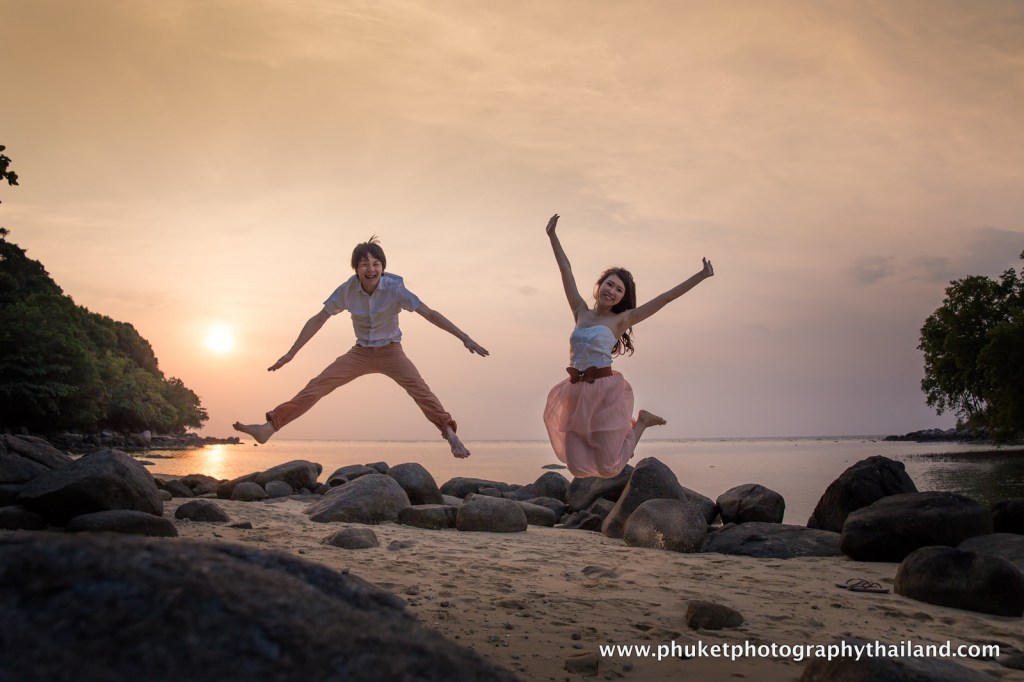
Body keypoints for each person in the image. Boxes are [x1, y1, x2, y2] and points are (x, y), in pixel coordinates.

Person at [233, 236, 489, 458]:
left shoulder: (396, 289)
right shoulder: (347, 290)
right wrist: (291, 353)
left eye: (376, 264)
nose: (371, 269)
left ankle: (449, 433)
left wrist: (464, 337)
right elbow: (318, 319)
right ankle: (269, 428)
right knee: (318, 385)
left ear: (383, 268)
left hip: (391, 351)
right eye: (365, 264)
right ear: (356, 268)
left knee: (420, 390)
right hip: (360, 352)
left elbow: (430, 313)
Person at [542, 214, 714, 478]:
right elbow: (566, 271)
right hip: (574, 391)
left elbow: (666, 298)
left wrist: (701, 275)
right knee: (576, 467)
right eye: (609, 284)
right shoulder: (580, 311)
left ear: (622, 298)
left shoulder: (621, 320)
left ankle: (641, 423)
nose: (611, 291)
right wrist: (552, 236)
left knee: (609, 468)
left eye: (619, 290)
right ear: (600, 285)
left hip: (604, 392)